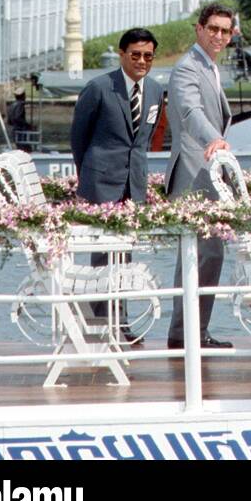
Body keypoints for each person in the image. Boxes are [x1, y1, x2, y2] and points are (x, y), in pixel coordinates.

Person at [69, 28, 163, 340]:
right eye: (135, 55)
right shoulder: (98, 88)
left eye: (147, 56)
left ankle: (120, 321)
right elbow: (78, 138)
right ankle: (101, 323)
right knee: (102, 257)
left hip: (133, 184)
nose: (141, 61)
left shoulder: (154, 91)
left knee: (125, 254)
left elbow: (143, 141)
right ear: (122, 54)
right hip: (100, 182)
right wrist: (89, 177)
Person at [166, 1, 236, 352]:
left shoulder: (209, 66)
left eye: (225, 31)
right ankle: (185, 334)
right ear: (199, 29)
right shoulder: (185, 69)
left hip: (209, 175)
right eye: (213, 29)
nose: (219, 36)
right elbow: (191, 111)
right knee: (201, 254)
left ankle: (191, 332)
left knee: (209, 254)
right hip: (193, 175)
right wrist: (216, 140)